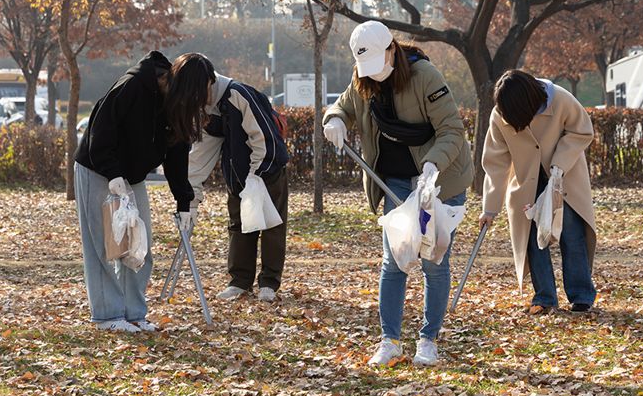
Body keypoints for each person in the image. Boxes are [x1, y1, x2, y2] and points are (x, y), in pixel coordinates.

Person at [323, 20, 474, 366]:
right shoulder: (362, 79)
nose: (375, 75)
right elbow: (343, 106)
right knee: (395, 260)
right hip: (393, 179)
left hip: (440, 178)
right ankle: (390, 339)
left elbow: (451, 129)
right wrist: (335, 120)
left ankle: (428, 339)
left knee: (434, 260)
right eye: (367, 69)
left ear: (393, 49)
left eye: (379, 65)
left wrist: (434, 165)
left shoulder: (426, 77)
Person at [74, 50, 202, 332]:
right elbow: (100, 132)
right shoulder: (132, 85)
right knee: (103, 246)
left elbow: (176, 155)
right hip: (97, 168)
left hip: (132, 176)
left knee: (139, 244)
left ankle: (134, 313)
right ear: (177, 83)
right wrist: (113, 175)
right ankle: (108, 316)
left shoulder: (174, 104)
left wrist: (184, 200)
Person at [480, 69, 597, 315]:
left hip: (565, 180)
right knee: (534, 241)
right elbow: (496, 163)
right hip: (527, 184)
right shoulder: (500, 114)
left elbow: (582, 131)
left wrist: (559, 164)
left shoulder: (561, 100)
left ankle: (581, 296)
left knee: (572, 236)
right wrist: (490, 208)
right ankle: (544, 297)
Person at [182, 54, 290, 303]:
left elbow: (263, 138)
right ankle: (240, 281)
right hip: (237, 177)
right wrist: (189, 192)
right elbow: (203, 151)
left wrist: (256, 176)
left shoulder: (239, 95)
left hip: (267, 172)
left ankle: (269, 282)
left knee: (271, 226)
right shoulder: (210, 107)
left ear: (210, 82)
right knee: (239, 225)